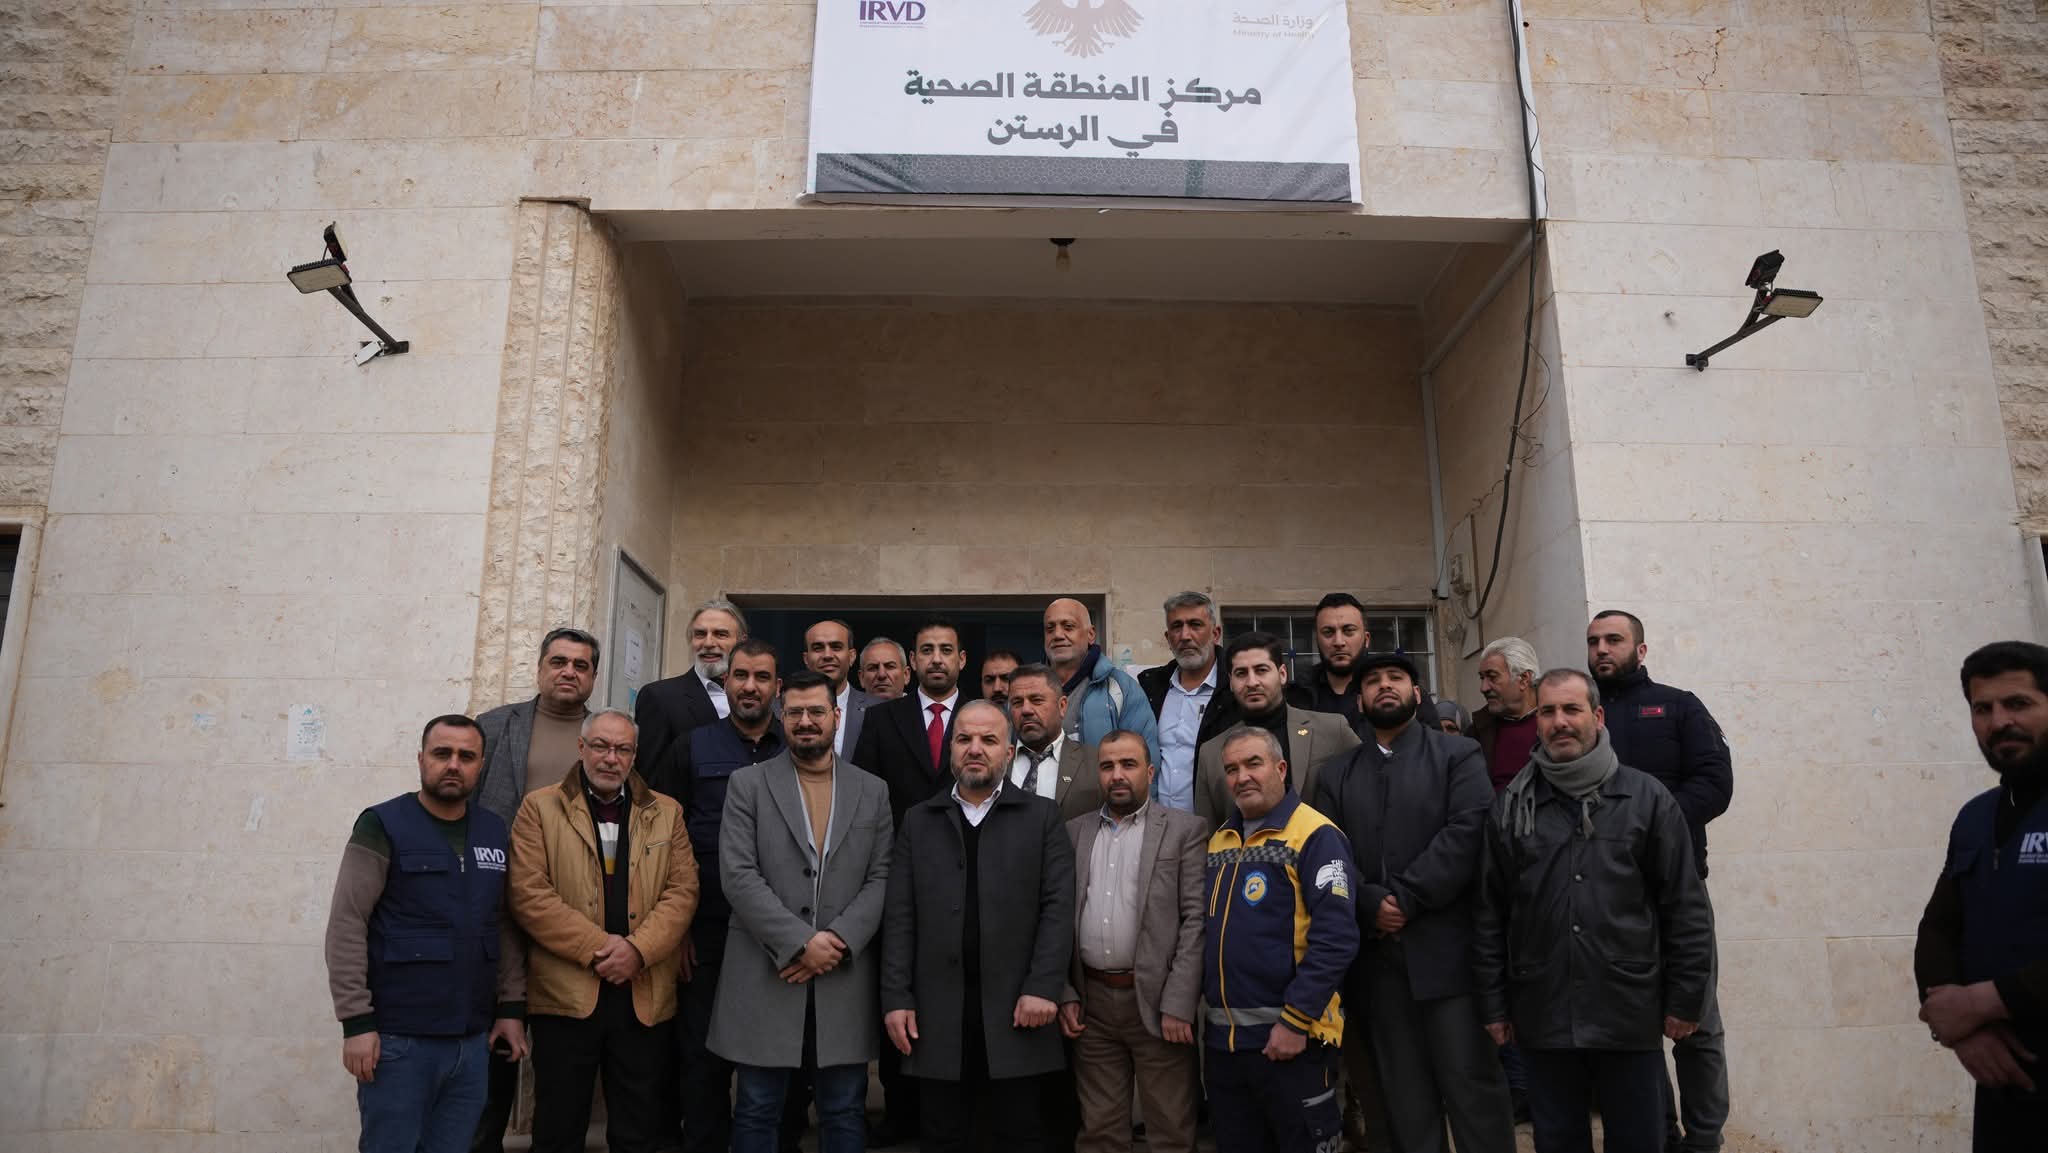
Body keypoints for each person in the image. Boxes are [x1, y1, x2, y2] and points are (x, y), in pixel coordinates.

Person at [1473, 670, 1713, 1153]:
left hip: (1628, 1012)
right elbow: (1490, 914)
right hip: (1543, 1013)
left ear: (1597, 716)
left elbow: (1685, 909)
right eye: (1548, 711)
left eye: (1571, 709)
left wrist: (1686, 1000)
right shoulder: (1512, 808)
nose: (1559, 721)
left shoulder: (1647, 799)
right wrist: (1494, 1005)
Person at [1310, 654, 1515, 1153]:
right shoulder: (1336, 774)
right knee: (1407, 1106)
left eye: (1396, 678)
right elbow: (1328, 853)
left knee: (1474, 1097)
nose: (1384, 686)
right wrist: (1369, 902)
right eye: (1373, 681)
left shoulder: (1458, 754)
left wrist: (1405, 898)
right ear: (1359, 702)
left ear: (1416, 694)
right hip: (1378, 968)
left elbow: (1467, 833)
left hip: (1449, 962)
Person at [326, 715, 528, 1153]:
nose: (453, 764)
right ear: (421, 759)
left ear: (480, 766)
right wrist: (356, 1023)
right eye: (442, 754)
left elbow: (502, 923)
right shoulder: (382, 824)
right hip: (399, 1041)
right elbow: (347, 923)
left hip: (472, 1043)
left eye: (466, 756)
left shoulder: (493, 830)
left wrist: (511, 1008)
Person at [713, 669, 895, 1153]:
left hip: (843, 974)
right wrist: (800, 943)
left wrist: (836, 942)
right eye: (795, 712)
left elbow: (883, 876)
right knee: (756, 1108)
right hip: (765, 971)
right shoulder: (747, 784)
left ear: (837, 716)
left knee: (844, 1109)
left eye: (817, 711)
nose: (806, 721)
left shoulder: (873, 790)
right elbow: (738, 874)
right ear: (781, 716)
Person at [882, 701, 1077, 1153]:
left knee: (1019, 1135)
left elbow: (1058, 908)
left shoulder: (1042, 817)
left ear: (1008, 752)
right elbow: (900, 916)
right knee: (942, 1136)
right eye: (964, 739)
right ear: (950, 749)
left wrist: (1044, 987)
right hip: (936, 1015)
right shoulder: (918, 820)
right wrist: (896, 997)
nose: (975, 749)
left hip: (1019, 1011)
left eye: (988, 740)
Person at [509, 709, 700, 1153]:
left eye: (622, 749)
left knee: (639, 1128)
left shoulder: (667, 812)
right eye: (600, 746)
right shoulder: (539, 808)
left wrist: (638, 951)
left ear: (634, 756)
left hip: (643, 992)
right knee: (558, 1127)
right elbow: (528, 893)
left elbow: (683, 891)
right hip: (565, 994)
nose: (610, 758)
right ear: (581, 748)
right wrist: (601, 947)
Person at [1586, 610, 1734, 1153]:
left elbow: (1715, 784)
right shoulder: (1581, 715)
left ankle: (1704, 1140)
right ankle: (1660, 1136)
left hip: (1677, 892)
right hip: (1607, 900)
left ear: (1641, 650)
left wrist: (1653, 825)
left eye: (1614, 640)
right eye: (1594, 642)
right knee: (1632, 1033)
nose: (1602, 649)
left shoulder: (1678, 706)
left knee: (1699, 1025)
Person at [649, 640, 786, 1153]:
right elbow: (663, 843)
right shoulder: (690, 747)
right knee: (701, 1054)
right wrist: (676, 931)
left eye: (761, 677)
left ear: (777, 688)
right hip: (706, 929)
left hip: (776, 935)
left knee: (774, 1054)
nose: (750, 686)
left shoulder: (795, 749)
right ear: (725, 683)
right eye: (740, 676)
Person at [1915, 640, 2048, 1151]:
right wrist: (1962, 1029)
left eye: (2018, 703)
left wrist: (1987, 1000)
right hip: (2005, 1082)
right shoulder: (1976, 817)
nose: (1999, 722)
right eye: (1982, 708)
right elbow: (1939, 926)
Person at [470, 627, 598, 1153]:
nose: (569, 672)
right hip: (498, 905)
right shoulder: (495, 726)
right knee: (493, 1043)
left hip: (574, 912)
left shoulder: (604, 735)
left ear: (593, 676)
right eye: (559, 661)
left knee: (563, 1056)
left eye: (581, 665)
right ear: (541, 667)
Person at [1201, 725, 1359, 1153]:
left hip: (1292, 1042)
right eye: (1231, 769)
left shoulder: (1316, 835)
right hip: (1226, 1047)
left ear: (1281, 768)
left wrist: (1295, 1021)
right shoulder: (1219, 841)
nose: (1242, 777)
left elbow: (1336, 938)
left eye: (1253, 764)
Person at [1056, 730, 1208, 1153]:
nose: (1117, 775)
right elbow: (1056, 918)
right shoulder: (1074, 832)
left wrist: (1180, 1002)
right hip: (1092, 1005)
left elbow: (1195, 920)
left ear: (1151, 772)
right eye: (1107, 766)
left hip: (1159, 1005)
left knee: (1170, 1131)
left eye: (1128, 764)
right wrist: (1065, 991)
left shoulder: (1184, 830)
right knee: (1100, 1132)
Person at [853, 618, 971, 1143]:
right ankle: (900, 1113)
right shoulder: (882, 719)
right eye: (927, 650)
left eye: (946, 649)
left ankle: (960, 1112)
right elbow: (864, 798)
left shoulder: (981, 717)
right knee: (898, 989)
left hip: (969, 872)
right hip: (899, 875)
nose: (936, 658)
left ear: (961, 660)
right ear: (913, 663)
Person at [1193, 632, 1359, 827]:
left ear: (1282, 674)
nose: (1252, 682)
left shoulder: (1333, 730)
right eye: (1241, 673)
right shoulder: (1211, 754)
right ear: (1230, 682)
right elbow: (1208, 833)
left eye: (1261, 670)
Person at [1135, 591, 1239, 813]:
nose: (1185, 635)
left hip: (1216, 823)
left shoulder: (1235, 690)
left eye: (1195, 625)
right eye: (1177, 626)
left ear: (1216, 633)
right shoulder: (1149, 688)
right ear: (1167, 637)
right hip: (1157, 824)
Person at [1285, 593, 1441, 731]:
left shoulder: (1400, 690)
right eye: (1328, 632)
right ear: (1317, 639)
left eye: (1348, 631)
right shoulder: (1297, 695)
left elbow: (1433, 746)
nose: (1338, 642)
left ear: (1366, 639)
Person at [636, 599, 747, 784]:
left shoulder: (758, 699)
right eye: (700, 634)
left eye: (720, 634)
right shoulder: (660, 697)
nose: (708, 643)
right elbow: (647, 782)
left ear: (742, 642)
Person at [1043, 597, 1160, 764]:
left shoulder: (1121, 688)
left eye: (1068, 627)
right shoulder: (1030, 689)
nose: (1058, 635)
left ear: (1091, 634)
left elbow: (1146, 764)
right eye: (1050, 629)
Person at [1009, 662, 1107, 822]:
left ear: (1062, 706)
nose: (1026, 710)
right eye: (1017, 702)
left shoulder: (1095, 762)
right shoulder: (997, 762)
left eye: (1036, 700)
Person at [1471, 636, 1541, 794]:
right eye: (1482, 678)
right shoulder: (1476, 733)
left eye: (1492, 677)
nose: (1483, 688)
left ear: (1524, 679)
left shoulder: (1558, 724)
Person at [805, 618, 880, 757]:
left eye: (836, 647)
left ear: (852, 656)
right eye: (818, 648)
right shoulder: (781, 711)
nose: (827, 655)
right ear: (806, 659)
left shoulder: (878, 710)